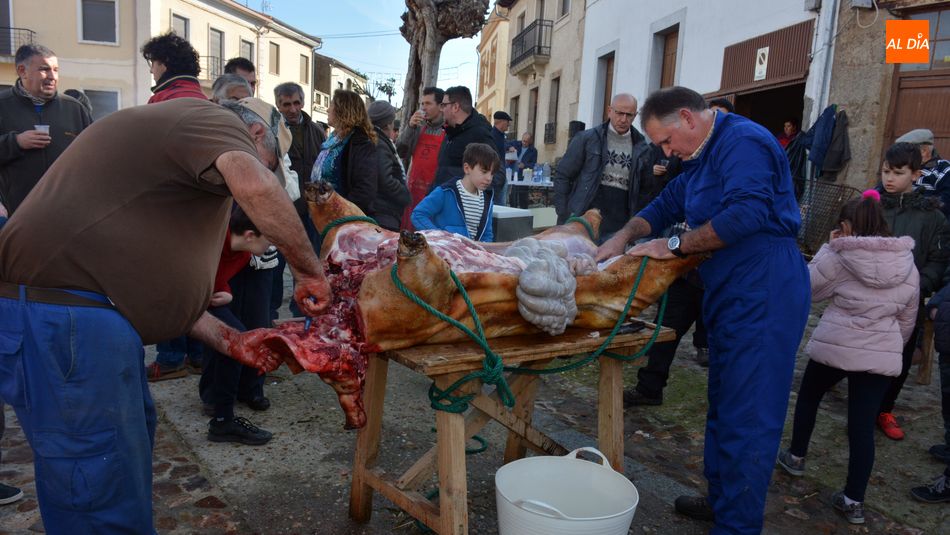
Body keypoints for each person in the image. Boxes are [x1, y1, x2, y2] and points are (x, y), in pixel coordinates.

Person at [0, 96, 330, 532]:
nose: (264, 176)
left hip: (83, 318)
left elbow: (147, 285)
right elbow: (255, 186)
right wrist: (311, 272)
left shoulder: (173, 152)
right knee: (96, 476)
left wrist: (230, 340)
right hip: (67, 320)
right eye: (270, 162)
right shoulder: (214, 120)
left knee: (118, 458)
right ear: (254, 135)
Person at [596, 86, 810, 533]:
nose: (665, 151)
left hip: (764, 284)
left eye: (667, 141)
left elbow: (746, 215)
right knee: (725, 399)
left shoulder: (743, 142)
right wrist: (622, 236)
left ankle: (737, 524)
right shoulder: (698, 155)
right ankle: (721, 497)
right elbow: (668, 202)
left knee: (748, 413)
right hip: (728, 286)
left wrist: (671, 245)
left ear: (688, 119)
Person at [776, 191, 919, 525]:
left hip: (835, 346)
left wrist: (828, 247)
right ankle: (854, 500)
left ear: (847, 226)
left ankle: (796, 456)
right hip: (880, 354)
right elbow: (908, 318)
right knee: (861, 428)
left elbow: (806, 290)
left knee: (809, 396)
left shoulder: (840, 256)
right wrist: (891, 346)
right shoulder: (906, 261)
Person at [875, 142, 950, 441]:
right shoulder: (871, 207)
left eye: (897, 173)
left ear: (916, 174)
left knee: (901, 358)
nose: (889, 179)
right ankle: (861, 405)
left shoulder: (933, 217)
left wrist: (919, 285)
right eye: (885, 171)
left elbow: (939, 259)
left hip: (908, 301)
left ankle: (884, 409)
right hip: (869, 297)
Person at [200, 205, 275, 445]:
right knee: (235, 341)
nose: (270, 247)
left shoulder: (243, 252)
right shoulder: (211, 240)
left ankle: (223, 419)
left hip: (203, 297)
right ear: (250, 235)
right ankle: (222, 418)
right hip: (180, 300)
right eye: (268, 240)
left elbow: (220, 278)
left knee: (237, 342)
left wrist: (225, 292)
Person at [0, 44, 92, 215]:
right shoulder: (3, 105)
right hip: (16, 214)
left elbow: (93, 155)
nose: (52, 76)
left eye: (55, 70)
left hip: (66, 213)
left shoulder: (74, 108)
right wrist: (16, 142)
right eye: (44, 69)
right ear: (22, 71)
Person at [553, 93, 652, 241]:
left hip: (619, 226)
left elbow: (645, 191)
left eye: (629, 115)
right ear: (609, 111)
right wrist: (564, 212)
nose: (623, 119)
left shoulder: (642, 148)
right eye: (619, 113)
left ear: (635, 115)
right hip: (582, 218)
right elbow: (563, 175)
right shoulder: (587, 139)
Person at [310, 89, 379, 217]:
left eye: (331, 105)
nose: (327, 110)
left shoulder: (360, 143)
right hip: (322, 214)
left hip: (340, 217)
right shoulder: (333, 139)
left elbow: (364, 190)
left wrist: (339, 211)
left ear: (342, 110)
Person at [412, 142, 498, 241]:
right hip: (444, 253)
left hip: (471, 255)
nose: (489, 178)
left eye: (492, 174)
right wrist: (438, 236)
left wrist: (483, 253)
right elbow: (418, 214)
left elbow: (487, 234)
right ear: (467, 168)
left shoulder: (487, 200)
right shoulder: (445, 192)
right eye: (484, 172)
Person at [434, 86, 501, 202]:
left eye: (444, 105)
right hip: (442, 205)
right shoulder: (450, 133)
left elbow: (497, 174)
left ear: (455, 107)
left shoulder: (479, 134)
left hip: (462, 212)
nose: (441, 109)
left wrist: (470, 199)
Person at [396, 86, 446, 229]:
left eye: (428, 103)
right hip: (413, 192)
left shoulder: (448, 131)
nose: (424, 108)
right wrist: (410, 127)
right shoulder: (418, 128)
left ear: (441, 106)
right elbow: (401, 151)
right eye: (422, 104)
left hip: (434, 194)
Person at [367, 100, 411, 231]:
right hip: (383, 213)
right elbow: (385, 179)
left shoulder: (371, 139)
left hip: (376, 210)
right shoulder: (380, 144)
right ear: (388, 124)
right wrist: (404, 194)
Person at [899, 128, 950, 220]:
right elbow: (880, 190)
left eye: (905, 151)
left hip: (928, 224)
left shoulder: (943, 169)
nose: (899, 155)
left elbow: (946, 201)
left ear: (924, 151)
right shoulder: (899, 168)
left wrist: (918, 206)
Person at [142, 32, 205, 103]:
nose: (151, 70)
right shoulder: (206, 101)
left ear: (164, 61)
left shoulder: (159, 100)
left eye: (152, 63)